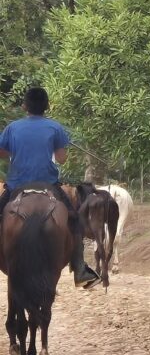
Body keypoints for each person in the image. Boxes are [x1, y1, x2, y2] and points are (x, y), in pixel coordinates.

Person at [0, 87, 101, 289]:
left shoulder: (12, 128)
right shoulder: (55, 128)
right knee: (74, 221)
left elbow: (2, 153)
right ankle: (80, 269)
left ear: (24, 106)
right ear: (46, 107)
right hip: (49, 185)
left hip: (16, 185)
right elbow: (62, 159)